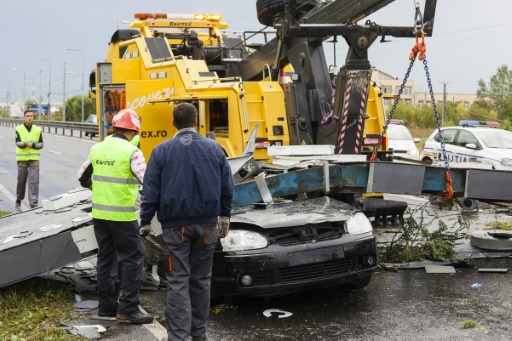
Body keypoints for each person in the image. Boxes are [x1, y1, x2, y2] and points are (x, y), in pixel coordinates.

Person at [140, 102, 234, 341]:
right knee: (201, 281)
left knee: (178, 281)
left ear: (173, 123)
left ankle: (179, 338)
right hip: (206, 227)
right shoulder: (215, 149)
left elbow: (150, 190)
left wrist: (146, 219)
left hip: (175, 228)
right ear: (196, 122)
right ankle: (198, 335)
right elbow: (227, 187)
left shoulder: (161, 151)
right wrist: (224, 215)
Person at [78, 109, 153, 324]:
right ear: (135, 130)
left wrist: (97, 188)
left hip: (100, 215)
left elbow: (81, 176)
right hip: (123, 216)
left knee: (105, 259)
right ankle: (128, 307)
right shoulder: (132, 152)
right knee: (133, 258)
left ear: (115, 127)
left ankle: (106, 307)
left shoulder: (97, 148)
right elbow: (147, 181)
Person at [15, 110, 43, 208]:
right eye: (27, 116)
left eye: (31, 116)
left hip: (34, 159)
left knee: (34, 181)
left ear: (33, 118)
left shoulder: (37, 130)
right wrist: (25, 144)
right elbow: (17, 142)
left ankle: (33, 204)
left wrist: (33, 145)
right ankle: (19, 197)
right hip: (22, 158)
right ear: (24, 117)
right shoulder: (19, 129)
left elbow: (41, 144)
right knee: (21, 180)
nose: (29, 117)